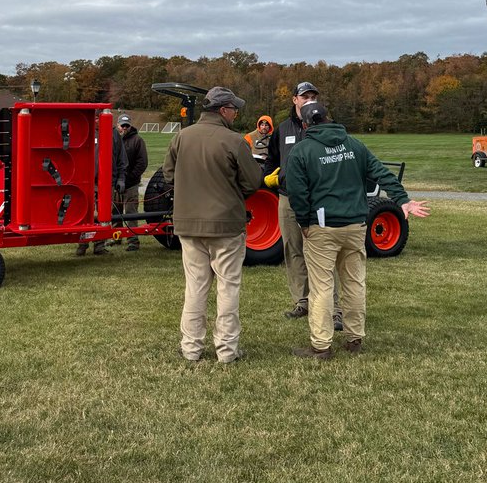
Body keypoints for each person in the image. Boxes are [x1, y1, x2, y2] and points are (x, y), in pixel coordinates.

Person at [285, 100, 430, 359]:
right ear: (329, 118)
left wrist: (304, 223)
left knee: (321, 287)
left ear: (305, 124)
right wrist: (402, 200)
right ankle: (354, 339)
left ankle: (321, 345)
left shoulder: (301, 151)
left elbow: (297, 192)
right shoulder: (354, 145)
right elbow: (381, 173)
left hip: (322, 227)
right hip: (355, 225)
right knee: (354, 283)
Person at [162, 86, 263, 363]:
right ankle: (227, 351)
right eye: (234, 108)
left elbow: (168, 175)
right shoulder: (234, 141)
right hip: (226, 226)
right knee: (228, 286)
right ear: (223, 110)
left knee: (195, 287)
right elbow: (253, 182)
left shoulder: (182, 137)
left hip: (188, 225)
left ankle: (191, 348)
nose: (236, 113)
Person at [264, 81, 342, 330]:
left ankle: (335, 309)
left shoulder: (326, 127)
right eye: (304, 96)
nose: (308, 99)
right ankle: (303, 300)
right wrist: (271, 178)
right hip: (287, 198)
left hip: (318, 198)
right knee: (293, 249)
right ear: (294, 100)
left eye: (312, 96)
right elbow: (271, 160)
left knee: (324, 254)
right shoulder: (282, 128)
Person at [76, 127, 128, 256]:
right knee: (86, 215)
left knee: (103, 216)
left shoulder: (114, 134)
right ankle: (83, 244)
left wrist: (121, 179)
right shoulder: (86, 130)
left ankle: (99, 245)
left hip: (107, 182)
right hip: (87, 182)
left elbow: (121, 158)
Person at [116, 114, 148, 252]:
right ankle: (116, 237)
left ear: (130, 126)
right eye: (122, 125)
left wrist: (129, 178)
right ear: (117, 125)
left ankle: (133, 241)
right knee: (115, 211)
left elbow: (142, 162)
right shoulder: (113, 139)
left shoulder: (137, 140)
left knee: (131, 212)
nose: (124, 128)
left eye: (126, 125)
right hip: (115, 182)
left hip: (131, 183)